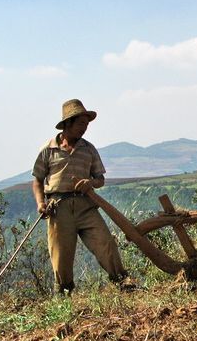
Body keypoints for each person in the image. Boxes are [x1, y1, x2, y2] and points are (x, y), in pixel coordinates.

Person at [32, 99, 135, 293]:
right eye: (81, 124)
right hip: (58, 207)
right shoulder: (48, 149)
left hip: (85, 205)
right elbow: (37, 180)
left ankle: (123, 282)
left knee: (105, 243)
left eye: (86, 125)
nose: (84, 129)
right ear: (68, 123)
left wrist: (91, 183)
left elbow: (100, 179)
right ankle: (64, 293)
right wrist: (40, 203)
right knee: (61, 256)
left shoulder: (89, 149)